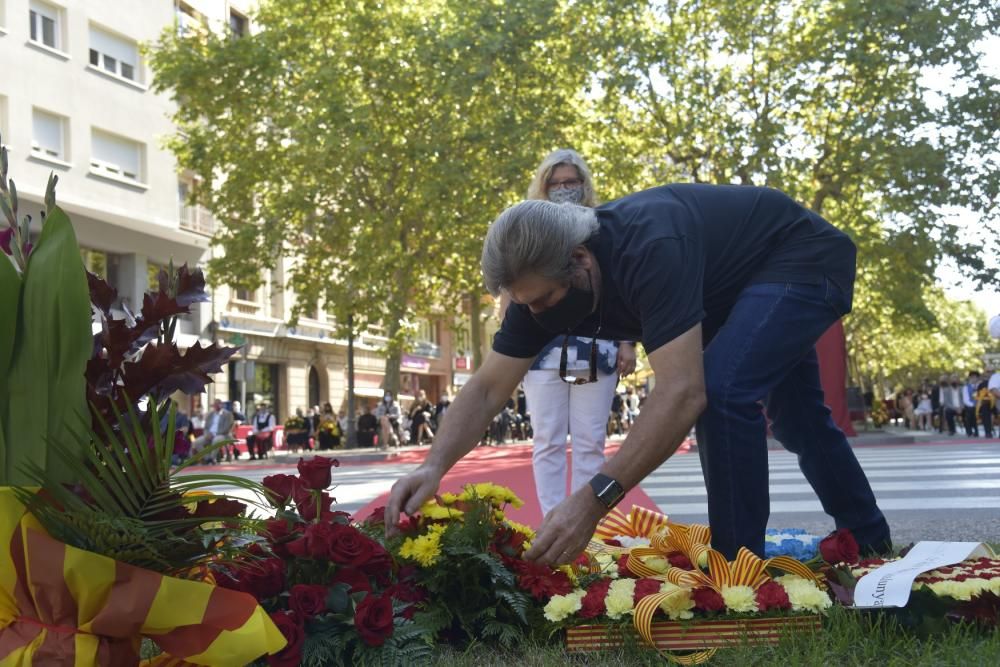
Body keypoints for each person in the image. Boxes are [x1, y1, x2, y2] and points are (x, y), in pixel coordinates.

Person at [386, 183, 892, 564]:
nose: (536, 315)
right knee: (798, 418)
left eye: (543, 301)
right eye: (524, 304)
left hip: (803, 258)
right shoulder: (536, 284)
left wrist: (591, 502)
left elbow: (682, 393)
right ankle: (870, 541)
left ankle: (736, 571)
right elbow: (489, 386)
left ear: (580, 259)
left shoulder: (650, 248)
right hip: (731, 288)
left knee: (722, 390)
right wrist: (434, 466)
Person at [516, 149, 637, 517]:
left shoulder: (603, 225)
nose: (564, 188)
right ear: (544, 185)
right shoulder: (529, 226)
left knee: (590, 442)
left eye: (571, 182)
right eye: (556, 183)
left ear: (584, 184)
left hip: (598, 346)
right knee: (547, 441)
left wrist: (629, 342)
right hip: (541, 349)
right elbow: (512, 286)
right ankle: (552, 521)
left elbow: (622, 285)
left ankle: (589, 524)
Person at [975, 374, 996, 439]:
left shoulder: (997, 382)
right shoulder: (981, 384)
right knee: (985, 410)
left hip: (997, 402)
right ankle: (988, 432)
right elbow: (978, 396)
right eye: (988, 373)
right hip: (985, 404)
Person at [962, 371, 981, 437]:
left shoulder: (980, 386)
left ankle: (977, 431)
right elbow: (966, 399)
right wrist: (973, 405)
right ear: (969, 378)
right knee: (970, 411)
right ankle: (970, 431)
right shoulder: (966, 387)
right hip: (971, 406)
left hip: (981, 405)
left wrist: (979, 404)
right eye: (972, 377)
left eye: (975, 377)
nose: (974, 379)